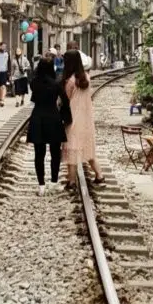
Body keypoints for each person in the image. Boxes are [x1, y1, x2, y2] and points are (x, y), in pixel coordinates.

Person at [62, 49, 105, 187]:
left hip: (73, 118)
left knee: (71, 148)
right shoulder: (86, 77)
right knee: (88, 148)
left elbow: (66, 98)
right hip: (86, 118)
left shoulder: (70, 81)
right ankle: (99, 175)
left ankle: (71, 180)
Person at [27, 56, 67, 195]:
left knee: (39, 153)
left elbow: (34, 96)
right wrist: (64, 116)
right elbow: (65, 101)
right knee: (55, 153)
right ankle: (54, 182)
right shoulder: (56, 84)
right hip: (53, 118)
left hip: (38, 117)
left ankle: (41, 186)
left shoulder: (34, 83)